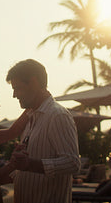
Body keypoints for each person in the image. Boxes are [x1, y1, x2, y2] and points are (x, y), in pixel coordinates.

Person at [6, 59, 80, 203]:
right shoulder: (32, 117)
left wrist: (30, 164)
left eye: (18, 88)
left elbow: (72, 163)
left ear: (33, 83)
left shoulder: (57, 115)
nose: (15, 95)